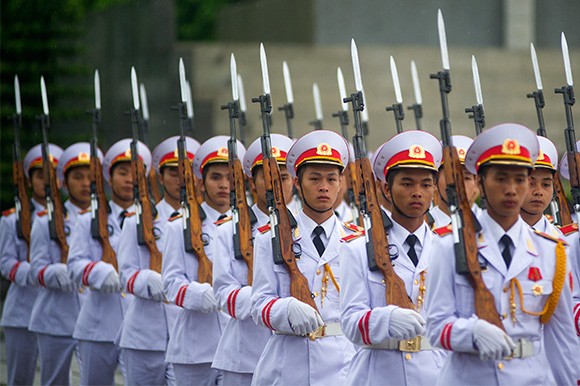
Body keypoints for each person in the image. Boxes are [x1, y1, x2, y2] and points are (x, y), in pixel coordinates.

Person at [426, 123, 580, 385]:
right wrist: (471, 332)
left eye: (520, 179)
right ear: (480, 183)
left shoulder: (552, 251)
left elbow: (562, 339)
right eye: (501, 178)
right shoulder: (450, 246)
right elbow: (436, 327)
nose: (511, 189)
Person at [340, 130, 447, 385]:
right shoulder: (358, 248)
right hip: (379, 374)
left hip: (435, 373)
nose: (417, 192)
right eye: (407, 183)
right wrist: (385, 320)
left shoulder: (447, 248)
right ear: (387, 189)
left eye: (426, 184)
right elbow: (350, 322)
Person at [250, 130, 356, 386]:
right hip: (289, 364)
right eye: (314, 178)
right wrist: (284, 309)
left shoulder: (357, 241)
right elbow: (258, 305)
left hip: (342, 365)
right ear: (297, 182)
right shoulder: (271, 237)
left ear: (341, 183)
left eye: (332, 179)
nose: (323, 187)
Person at [212, 134, 294, 385]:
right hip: (244, 354)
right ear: (252, 183)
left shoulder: (305, 230)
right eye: (267, 178)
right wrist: (268, 299)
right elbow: (223, 293)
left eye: (283, 178)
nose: (276, 185)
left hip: (293, 356)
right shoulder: (229, 230)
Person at [163, 135, 244, 386]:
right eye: (215, 177)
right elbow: (170, 283)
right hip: (195, 347)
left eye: (230, 177)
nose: (224, 184)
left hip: (238, 348)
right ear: (201, 182)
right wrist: (200, 295)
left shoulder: (248, 227)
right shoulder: (182, 225)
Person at [115, 137, 185, 385]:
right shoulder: (139, 219)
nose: (179, 180)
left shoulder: (207, 224)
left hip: (188, 337)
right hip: (145, 336)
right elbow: (125, 275)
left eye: (184, 172)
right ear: (160, 176)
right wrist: (148, 280)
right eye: (172, 173)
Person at [66, 139, 134, 386]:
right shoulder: (90, 219)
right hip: (98, 325)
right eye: (122, 173)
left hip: (139, 327)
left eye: (134, 173)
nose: (129, 180)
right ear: (109, 177)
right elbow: (74, 265)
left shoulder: (155, 222)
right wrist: (97, 271)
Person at [28, 142, 93, 385]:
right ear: (64, 182)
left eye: (90, 177)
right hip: (55, 317)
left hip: (92, 317)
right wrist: (66, 274)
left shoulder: (107, 221)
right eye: (78, 177)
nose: (85, 183)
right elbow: (36, 270)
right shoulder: (46, 220)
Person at [0, 143, 62, 386]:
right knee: (20, 379)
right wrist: (38, 273)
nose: (47, 182)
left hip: (57, 313)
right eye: (40, 176)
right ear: (29, 179)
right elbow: (5, 263)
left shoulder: (68, 217)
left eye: (53, 176)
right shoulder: (11, 219)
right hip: (22, 310)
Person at [430, 135, 480, 228]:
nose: (459, 184)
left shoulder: (484, 225)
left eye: (466, 178)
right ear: (435, 181)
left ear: (476, 183)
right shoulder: (424, 226)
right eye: (451, 176)